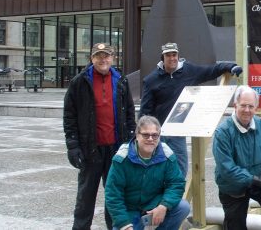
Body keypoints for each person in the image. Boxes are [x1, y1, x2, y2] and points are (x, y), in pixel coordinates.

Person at [140, 42, 242, 177]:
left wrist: (231, 66)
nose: (172, 58)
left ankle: (177, 198)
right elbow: (145, 112)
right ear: (162, 58)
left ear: (178, 55)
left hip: (177, 133)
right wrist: (143, 134)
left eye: (174, 54)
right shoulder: (151, 80)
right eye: (168, 55)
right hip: (158, 134)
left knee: (180, 170)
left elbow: (211, 70)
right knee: (156, 171)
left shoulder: (189, 71)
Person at [63, 42, 136, 230]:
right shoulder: (79, 81)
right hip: (90, 149)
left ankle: (115, 227)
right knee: (85, 196)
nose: (103, 59)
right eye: (98, 56)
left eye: (106, 55)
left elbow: (129, 112)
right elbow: (69, 116)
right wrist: (73, 146)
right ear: (92, 58)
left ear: (113, 58)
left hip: (115, 149)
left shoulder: (121, 80)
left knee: (115, 195)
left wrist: (130, 142)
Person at [212, 85, 261, 230]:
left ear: (256, 108)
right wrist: (257, 180)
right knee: (236, 224)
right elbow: (227, 169)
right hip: (232, 186)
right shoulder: (223, 132)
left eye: (251, 106)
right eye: (243, 105)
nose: (247, 110)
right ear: (235, 105)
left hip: (259, 182)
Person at [105, 115, 190, 230]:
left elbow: (176, 184)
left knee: (183, 207)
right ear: (137, 135)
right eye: (145, 135)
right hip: (130, 212)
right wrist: (124, 224)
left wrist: (163, 206)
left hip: (153, 208)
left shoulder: (167, 155)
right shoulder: (122, 159)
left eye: (155, 135)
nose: (150, 139)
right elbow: (113, 194)